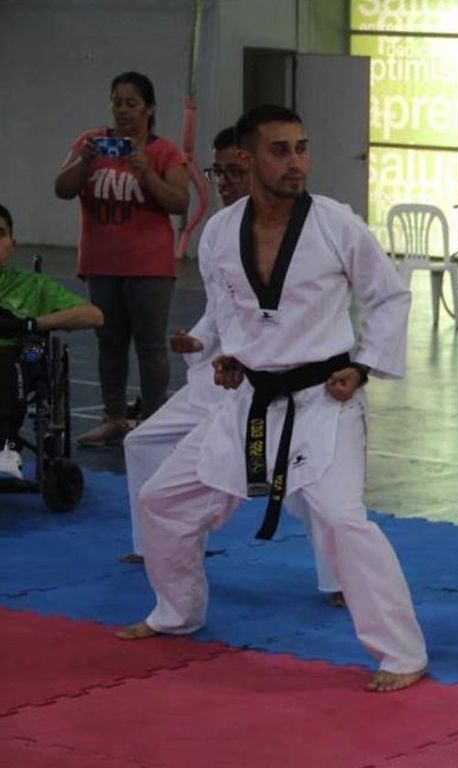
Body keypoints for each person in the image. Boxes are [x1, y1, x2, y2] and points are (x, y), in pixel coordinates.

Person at [116, 105, 426, 693]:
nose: (296, 162)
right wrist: (227, 353)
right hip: (249, 402)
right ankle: (176, 611)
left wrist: (363, 367)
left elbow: (388, 296)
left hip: (323, 400)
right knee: (162, 499)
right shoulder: (220, 233)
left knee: (341, 518)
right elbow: (232, 306)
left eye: (302, 148)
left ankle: (401, 652)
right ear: (248, 159)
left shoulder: (337, 225)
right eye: (280, 150)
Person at [118, 127, 343, 607]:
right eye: (218, 172)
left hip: (282, 383)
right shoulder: (220, 233)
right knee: (142, 443)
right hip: (221, 378)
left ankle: (341, 579)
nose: (223, 182)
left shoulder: (306, 229)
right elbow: (222, 310)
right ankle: (154, 544)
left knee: (312, 490)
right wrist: (197, 339)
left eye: (234, 172)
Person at [54, 71, 189, 447]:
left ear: (149, 108)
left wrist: (146, 171)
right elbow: (61, 189)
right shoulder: (90, 143)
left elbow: (180, 202)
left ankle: (151, 423)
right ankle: (115, 419)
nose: (123, 110)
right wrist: (83, 161)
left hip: (149, 267)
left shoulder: (165, 152)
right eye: (117, 102)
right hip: (102, 264)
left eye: (132, 103)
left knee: (149, 346)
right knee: (109, 343)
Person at [0, 203, 104, 479]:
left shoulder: (32, 285)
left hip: (14, 360)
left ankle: (4, 446)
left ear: (12, 243)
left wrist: (31, 323)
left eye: (0, 234)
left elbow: (93, 315)